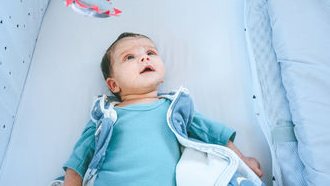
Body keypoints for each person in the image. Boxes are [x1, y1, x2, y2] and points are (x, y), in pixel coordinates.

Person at [61, 32, 263, 186]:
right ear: (113, 85)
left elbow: (213, 134)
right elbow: (79, 160)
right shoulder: (105, 117)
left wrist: (241, 160)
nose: (144, 58)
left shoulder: (173, 108)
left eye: (150, 53)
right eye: (129, 57)